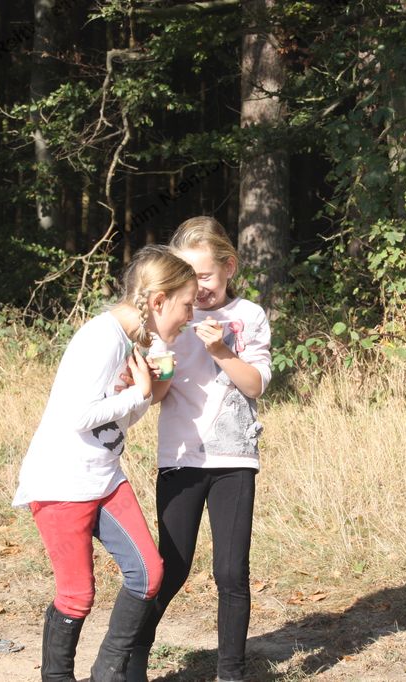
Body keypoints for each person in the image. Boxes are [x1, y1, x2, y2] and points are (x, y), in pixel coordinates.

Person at [12, 245, 197, 682]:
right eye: (187, 305)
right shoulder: (100, 338)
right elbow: (78, 417)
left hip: (105, 478)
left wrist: (148, 389)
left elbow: (117, 419)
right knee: (76, 596)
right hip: (62, 483)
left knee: (148, 573)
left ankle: (107, 674)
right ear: (158, 301)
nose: (190, 316)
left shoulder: (130, 341)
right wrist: (138, 392)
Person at [129, 217, 272, 682]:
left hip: (234, 460)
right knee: (171, 568)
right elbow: (158, 396)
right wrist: (156, 374)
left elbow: (255, 385)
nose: (198, 288)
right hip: (180, 458)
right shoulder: (173, 315)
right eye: (189, 277)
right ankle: (130, 657)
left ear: (229, 267)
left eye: (206, 275)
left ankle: (231, 673)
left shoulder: (249, 315)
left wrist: (223, 352)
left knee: (231, 573)